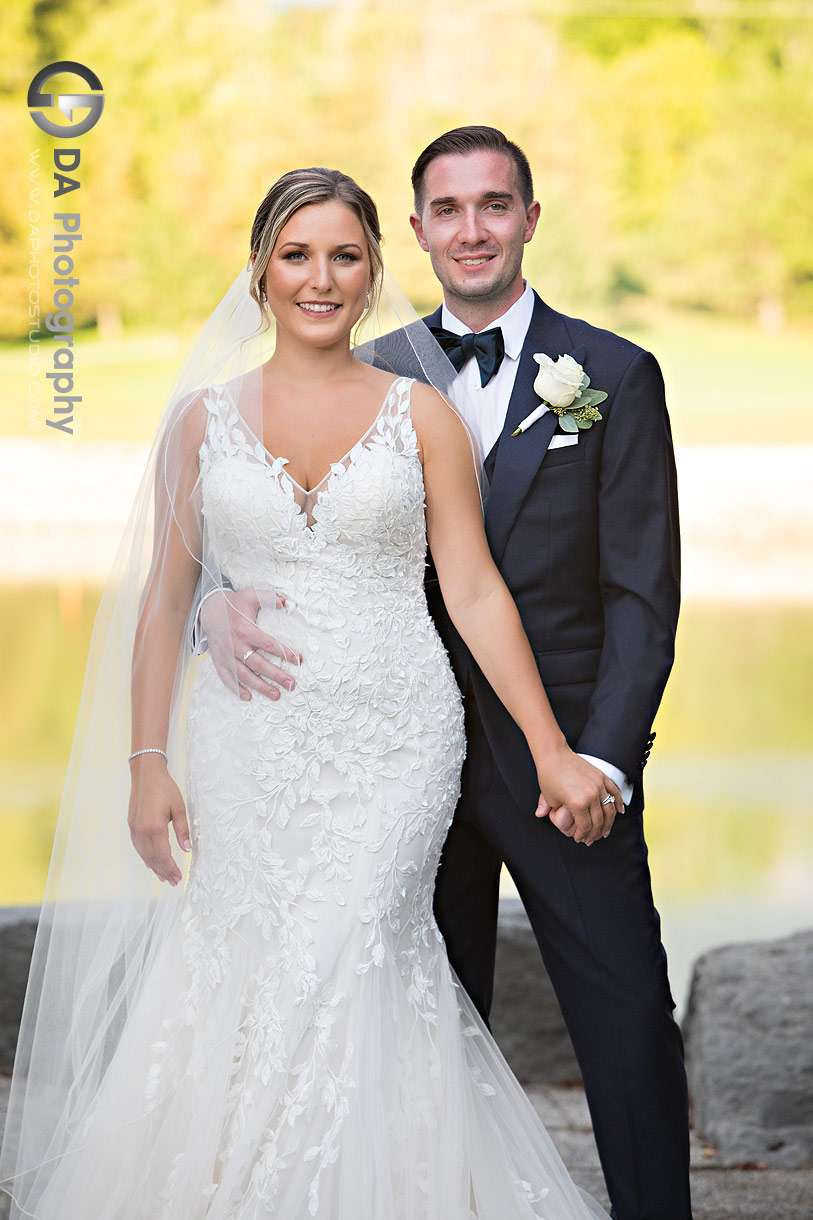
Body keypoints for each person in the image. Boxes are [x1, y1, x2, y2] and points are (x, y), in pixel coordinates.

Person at [0, 166, 623, 1220]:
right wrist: (147, 765)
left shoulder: (418, 414)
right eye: (297, 254)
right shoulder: (199, 422)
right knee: (242, 956)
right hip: (249, 746)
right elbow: (166, 603)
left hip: (396, 738)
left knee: (363, 947)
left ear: (375, 269)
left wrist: (554, 749)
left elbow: (472, 590)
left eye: (344, 255)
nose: (320, 278)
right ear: (259, 271)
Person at [200, 130, 690, 1220]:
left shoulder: (610, 375)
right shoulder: (365, 372)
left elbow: (642, 598)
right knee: (406, 1027)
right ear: (414, 233)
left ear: (527, 219)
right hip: (387, 761)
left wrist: (599, 759)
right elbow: (261, 541)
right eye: (448, 209)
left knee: (626, 1017)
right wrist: (208, 606)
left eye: (494, 205)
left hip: (556, 760)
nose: (472, 228)